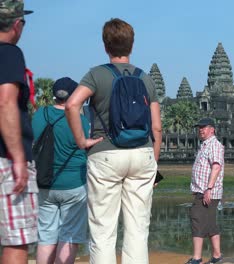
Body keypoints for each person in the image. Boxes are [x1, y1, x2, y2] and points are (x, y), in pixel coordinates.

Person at [65, 18, 162, 264]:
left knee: (103, 230)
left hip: (105, 153)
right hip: (142, 155)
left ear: (105, 45)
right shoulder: (145, 78)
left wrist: (82, 141)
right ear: (132, 45)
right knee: (138, 230)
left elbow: (72, 104)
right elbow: (157, 127)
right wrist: (154, 164)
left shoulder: (97, 75)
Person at [32, 77, 90, 264]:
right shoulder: (81, 120)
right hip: (74, 184)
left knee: (46, 235)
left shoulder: (41, 114)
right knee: (69, 236)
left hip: (44, 183)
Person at [0, 1, 37, 264]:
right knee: (17, 241)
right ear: (16, 24)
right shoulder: (9, 53)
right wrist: (18, 158)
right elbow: (5, 101)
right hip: (6, 159)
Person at [185, 117, 224, 264]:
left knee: (197, 220)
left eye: (204, 127)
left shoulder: (214, 145)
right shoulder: (205, 145)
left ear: (212, 129)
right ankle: (217, 255)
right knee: (209, 223)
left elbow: (216, 166)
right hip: (204, 191)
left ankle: (197, 258)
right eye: (199, 127)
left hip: (207, 192)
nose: (201, 130)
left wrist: (208, 188)